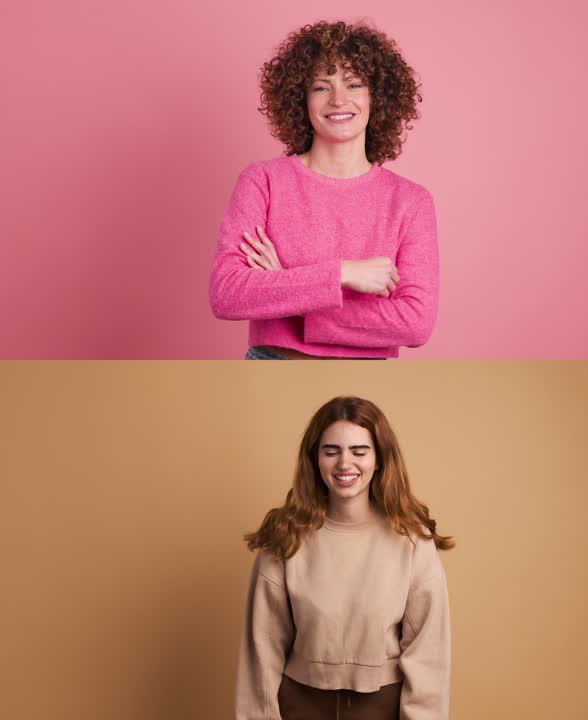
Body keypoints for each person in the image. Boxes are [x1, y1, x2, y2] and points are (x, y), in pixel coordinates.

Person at [210, 21, 438, 359]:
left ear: (378, 97)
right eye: (321, 87)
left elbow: (416, 324)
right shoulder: (262, 181)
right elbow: (227, 293)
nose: (338, 99)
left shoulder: (410, 201)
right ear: (299, 99)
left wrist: (291, 292)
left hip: (366, 376)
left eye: (354, 84)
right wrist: (344, 273)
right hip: (274, 366)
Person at [236, 396, 453, 719]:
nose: (344, 464)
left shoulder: (411, 540)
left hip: (383, 708)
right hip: (299, 705)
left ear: (379, 459)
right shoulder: (285, 536)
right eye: (331, 451)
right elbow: (261, 652)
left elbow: (428, 656)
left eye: (359, 451)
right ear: (314, 459)